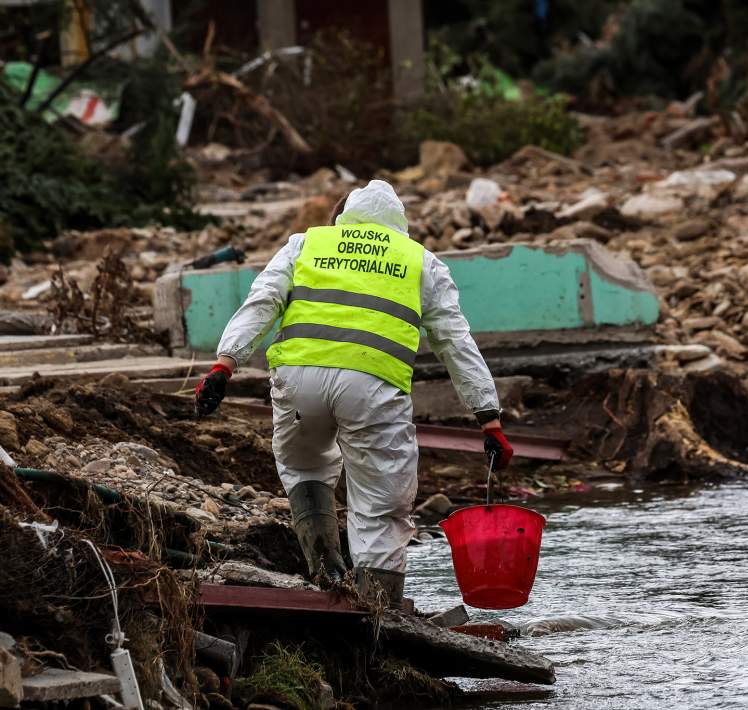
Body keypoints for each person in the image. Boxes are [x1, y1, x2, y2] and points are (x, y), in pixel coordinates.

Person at [195, 180, 513, 604]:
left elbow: (263, 301)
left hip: (299, 382)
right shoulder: (421, 261)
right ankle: (375, 610)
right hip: (373, 390)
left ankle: (326, 574)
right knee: (381, 503)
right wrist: (487, 417)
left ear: (345, 216)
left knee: (305, 467)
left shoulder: (305, 244)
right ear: (398, 224)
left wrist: (225, 364)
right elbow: (455, 342)